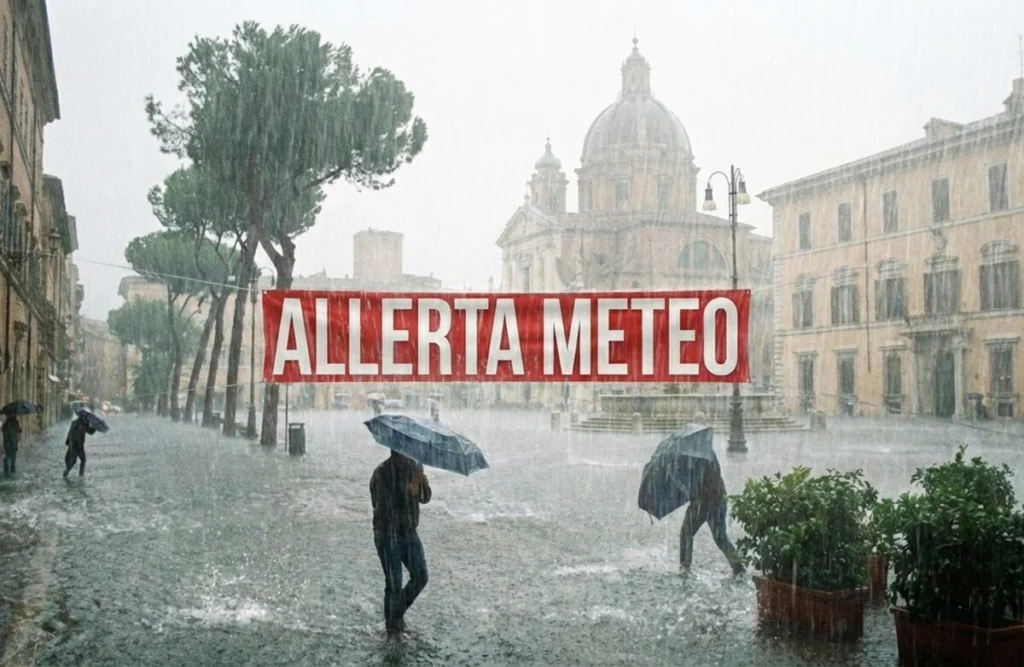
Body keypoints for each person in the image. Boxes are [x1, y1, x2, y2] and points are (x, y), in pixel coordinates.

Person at [369, 449, 432, 635]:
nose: (406, 458)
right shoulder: (381, 473)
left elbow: (426, 497)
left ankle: (395, 614)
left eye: (407, 454)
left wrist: (419, 484)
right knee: (394, 583)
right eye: (402, 454)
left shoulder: (415, 468)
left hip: (409, 533)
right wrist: (406, 490)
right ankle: (393, 627)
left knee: (421, 576)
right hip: (387, 535)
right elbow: (381, 506)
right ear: (395, 453)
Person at [679, 460, 745, 576]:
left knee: (720, 537)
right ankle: (685, 566)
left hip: (715, 501)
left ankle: (738, 568)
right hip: (698, 502)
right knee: (686, 532)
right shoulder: (686, 458)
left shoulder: (705, 455)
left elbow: (712, 480)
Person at [64, 414, 95, 478]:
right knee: (81, 459)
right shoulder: (82, 424)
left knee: (75, 460)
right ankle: (79, 474)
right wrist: (94, 427)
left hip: (73, 444)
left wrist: (68, 442)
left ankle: (68, 471)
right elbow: (90, 431)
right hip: (78, 444)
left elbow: (69, 433)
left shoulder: (75, 423)